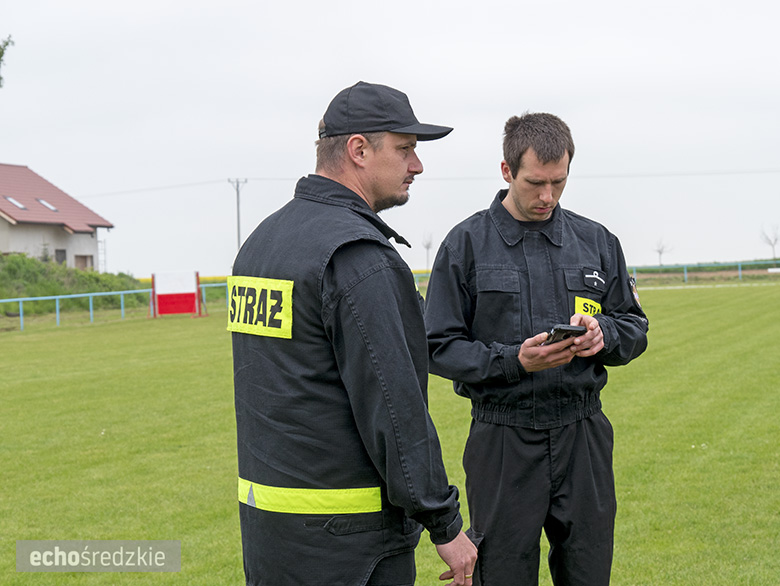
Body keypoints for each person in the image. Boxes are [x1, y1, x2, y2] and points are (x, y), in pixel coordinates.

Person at [229, 81, 478, 586]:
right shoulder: (358, 257)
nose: (417, 165)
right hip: (351, 544)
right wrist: (445, 523)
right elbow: (395, 407)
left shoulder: (260, 244)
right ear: (359, 150)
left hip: (270, 533)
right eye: (405, 149)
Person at [423, 112, 649, 586]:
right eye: (535, 183)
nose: (548, 196)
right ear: (507, 171)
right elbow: (438, 346)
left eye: (558, 182)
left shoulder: (596, 241)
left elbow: (634, 326)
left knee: (588, 571)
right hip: (503, 438)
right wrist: (514, 361)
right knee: (502, 574)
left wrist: (604, 335)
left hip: (583, 434)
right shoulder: (465, 245)